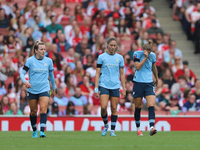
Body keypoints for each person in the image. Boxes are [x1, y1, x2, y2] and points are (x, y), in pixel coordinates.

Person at [20, 40, 56, 138]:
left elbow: (52, 76)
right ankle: (35, 130)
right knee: (33, 111)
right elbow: (22, 73)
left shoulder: (48, 61)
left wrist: (54, 88)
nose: (43, 51)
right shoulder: (30, 61)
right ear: (36, 50)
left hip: (44, 88)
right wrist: (25, 82)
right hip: (32, 89)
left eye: (44, 49)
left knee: (43, 109)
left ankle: (42, 131)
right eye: (41, 49)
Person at [95, 37, 126, 137]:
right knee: (103, 107)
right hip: (104, 85)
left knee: (114, 108)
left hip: (115, 86)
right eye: (111, 45)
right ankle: (105, 124)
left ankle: (112, 130)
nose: (113, 47)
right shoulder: (102, 57)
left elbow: (122, 74)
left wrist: (124, 88)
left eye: (114, 45)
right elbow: (97, 73)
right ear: (107, 45)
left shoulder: (120, 58)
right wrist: (96, 88)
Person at [132, 40, 158, 136]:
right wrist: (145, 58)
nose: (148, 52)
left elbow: (154, 67)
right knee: (138, 107)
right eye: (147, 50)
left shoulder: (153, 55)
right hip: (138, 83)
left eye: (150, 51)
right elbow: (137, 67)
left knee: (151, 105)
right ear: (143, 49)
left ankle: (151, 127)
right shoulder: (137, 54)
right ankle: (139, 129)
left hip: (149, 83)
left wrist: (156, 77)